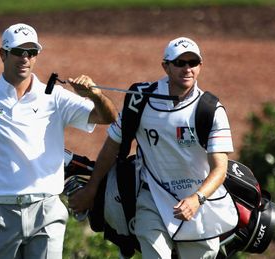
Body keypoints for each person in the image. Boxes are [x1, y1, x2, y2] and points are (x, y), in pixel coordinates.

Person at [0, 23, 117, 259]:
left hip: (47, 210)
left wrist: (95, 95)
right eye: (18, 52)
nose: (25, 58)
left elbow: (108, 117)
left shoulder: (55, 97)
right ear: (3, 54)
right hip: (0, 211)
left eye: (31, 52)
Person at [69, 37, 238, 258]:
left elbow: (220, 169)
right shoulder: (140, 99)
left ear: (200, 66)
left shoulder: (210, 108)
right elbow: (112, 146)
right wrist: (92, 188)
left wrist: (197, 199)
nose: (187, 68)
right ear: (165, 66)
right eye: (180, 63)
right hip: (152, 199)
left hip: (199, 204)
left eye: (193, 63)